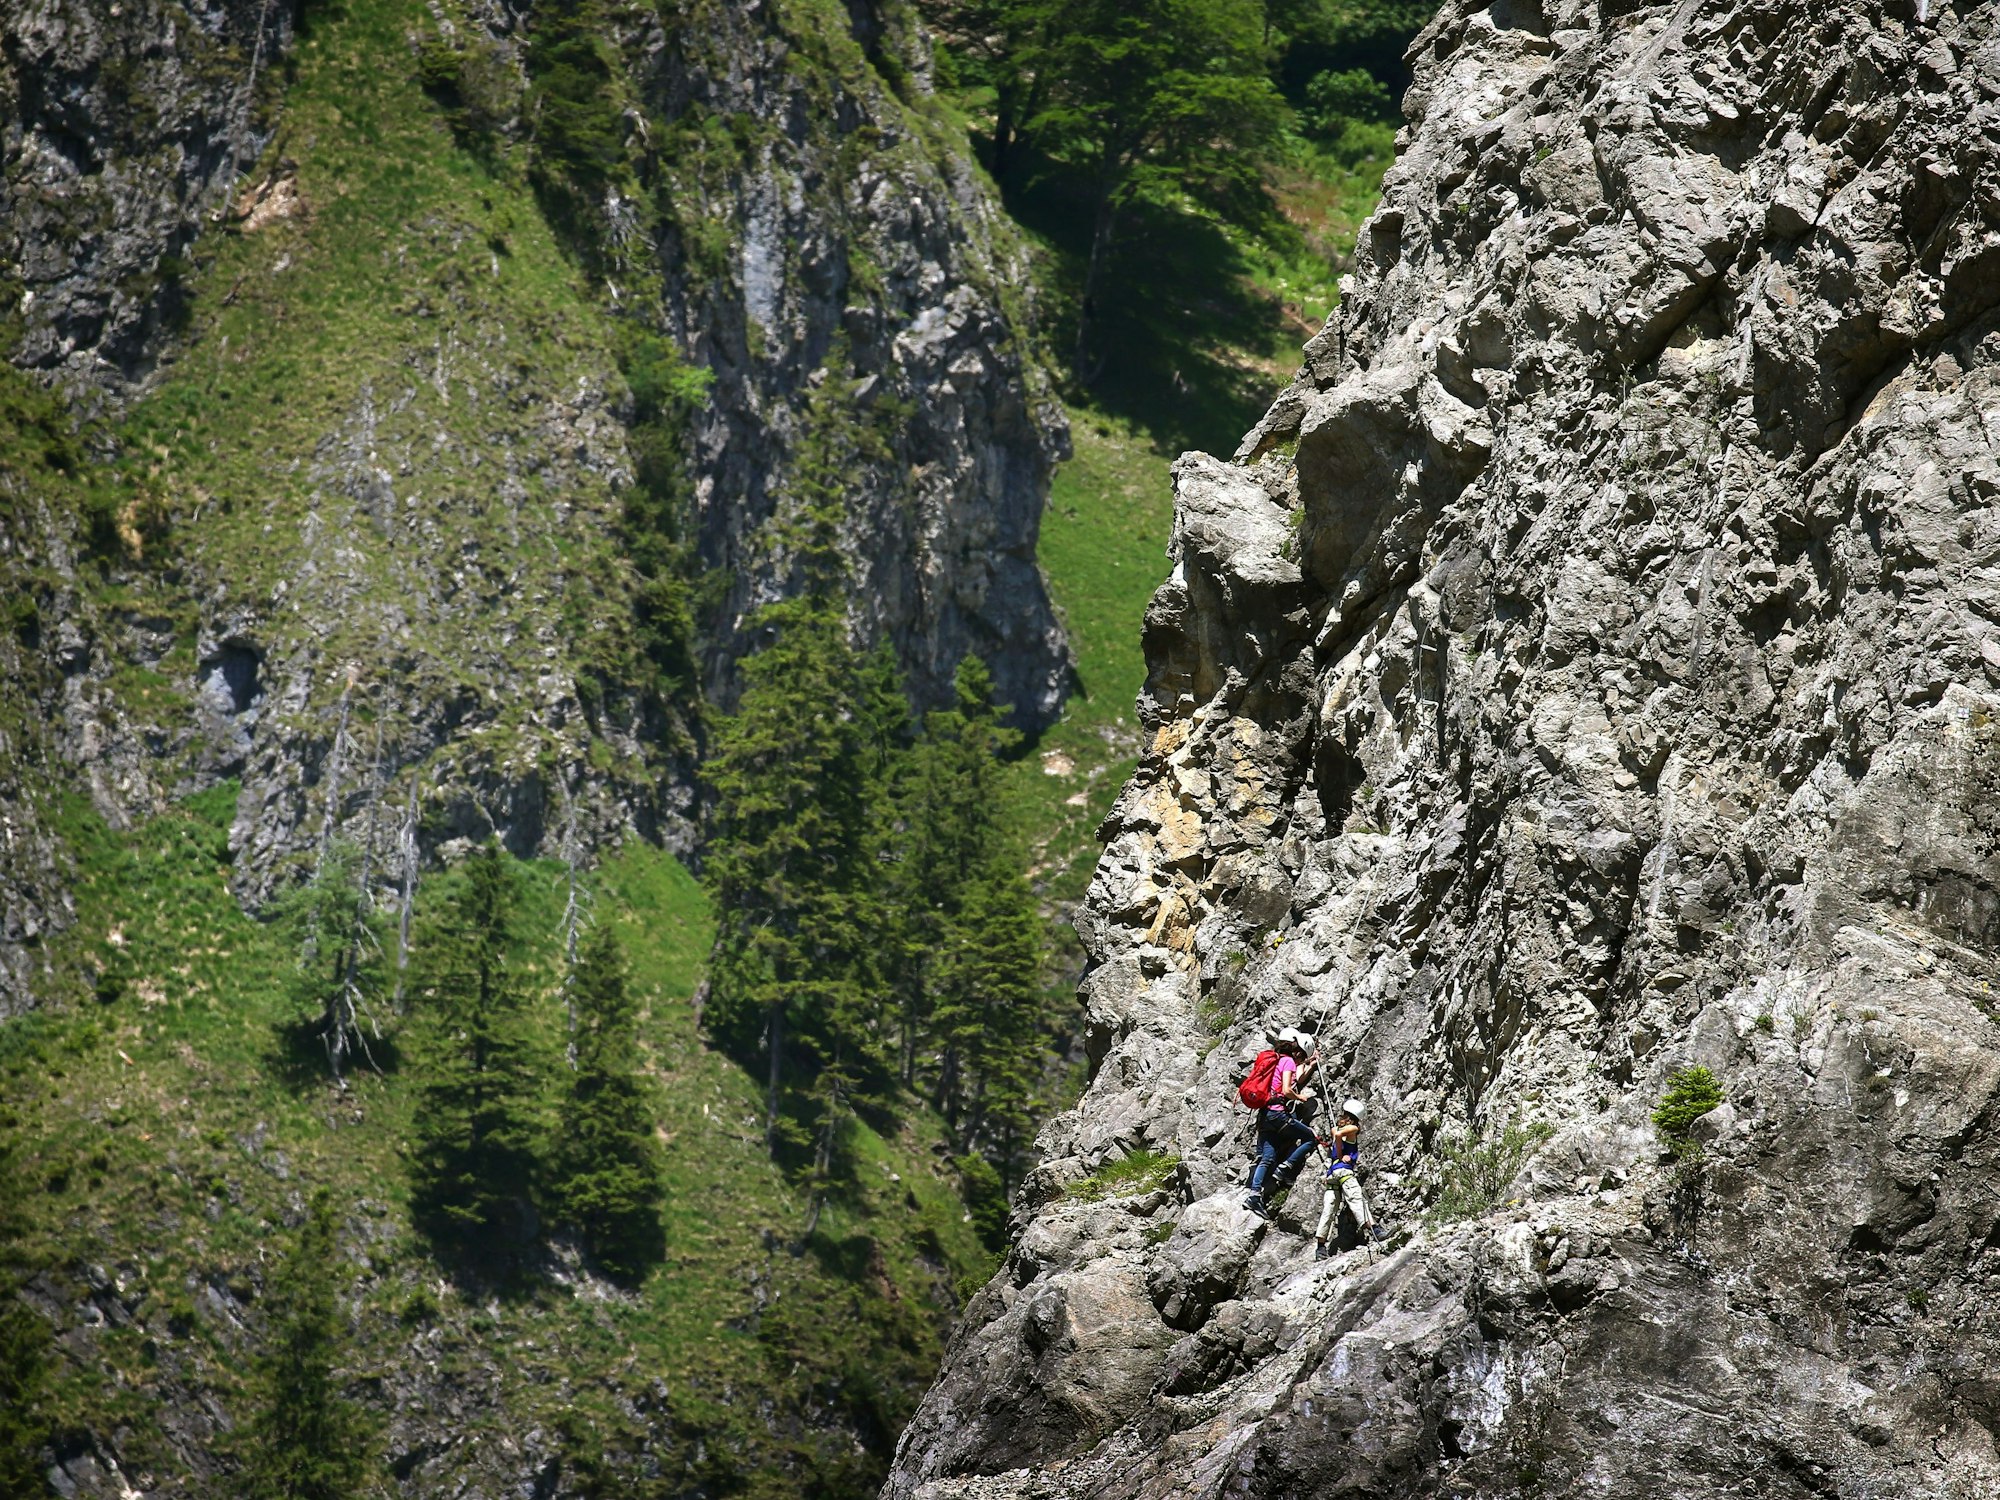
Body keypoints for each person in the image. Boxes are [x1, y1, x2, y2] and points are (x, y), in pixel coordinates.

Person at [1243, 1027, 1319, 1219]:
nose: (1300, 1061)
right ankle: (1284, 1169)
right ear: (1297, 1052)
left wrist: (1309, 1065)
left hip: (1265, 1115)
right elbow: (1286, 1090)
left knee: (1267, 1157)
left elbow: (1291, 1079)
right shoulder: (1287, 1062)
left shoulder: (1277, 1061)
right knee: (1311, 1137)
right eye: (1301, 1058)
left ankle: (1253, 1195)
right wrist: (1300, 1098)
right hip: (1278, 1115)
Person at [1314, 1098, 1383, 1259]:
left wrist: (1337, 1155)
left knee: (1329, 1208)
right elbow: (1339, 1135)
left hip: (1332, 1174)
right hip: (1344, 1172)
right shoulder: (1353, 1127)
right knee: (1356, 1198)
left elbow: (1336, 1133)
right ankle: (1375, 1230)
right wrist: (1342, 1156)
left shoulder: (1337, 1127)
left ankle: (1320, 1247)